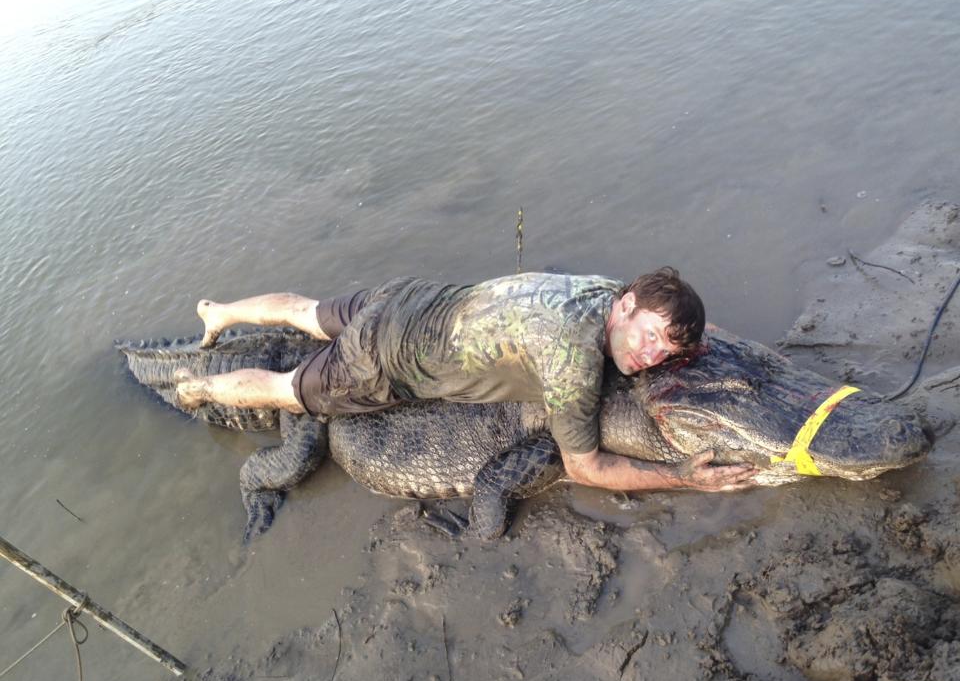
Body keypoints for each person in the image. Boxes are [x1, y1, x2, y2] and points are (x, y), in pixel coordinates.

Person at [176, 269, 757, 493]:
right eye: (650, 336)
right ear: (628, 307)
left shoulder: (599, 290)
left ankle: (219, 311)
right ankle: (198, 388)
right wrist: (683, 478)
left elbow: (645, 340)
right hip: (387, 358)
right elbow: (584, 468)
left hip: (409, 296)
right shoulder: (572, 364)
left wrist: (687, 341)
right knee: (285, 391)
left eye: (668, 351)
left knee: (305, 310)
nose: (651, 356)